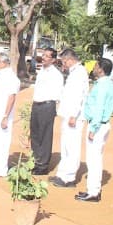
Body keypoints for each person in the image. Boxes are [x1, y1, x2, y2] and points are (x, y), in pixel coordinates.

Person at [75, 57, 113, 203]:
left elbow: (99, 108)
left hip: (97, 125)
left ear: (101, 69)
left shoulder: (102, 86)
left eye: (96, 66)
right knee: (95, 158)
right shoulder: (108, 84)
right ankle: (93, 190)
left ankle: (93, 192)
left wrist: (93, 128)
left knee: (93, 160)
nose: (93, 68)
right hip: (102, 124)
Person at [50, 48, 89, 189]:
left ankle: (69, 177)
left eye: (64, 62)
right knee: (65, 146)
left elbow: (79, 96)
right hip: (68, 114)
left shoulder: (79, 73)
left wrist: (73, 114)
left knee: (72, 146)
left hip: (74, 116)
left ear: (70, 60)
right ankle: (62, 174)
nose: (63, 65)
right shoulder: (74, 73)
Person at [29, 47, 64, 175]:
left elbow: (58, 94)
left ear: (53, 60)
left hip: (47, 106)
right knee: (35, 134)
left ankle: (43, 166)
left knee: (45, 136)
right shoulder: (41, 71)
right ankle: (35, 161)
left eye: (47, 56)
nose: (43, 57)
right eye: (43, 55)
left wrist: (55, 109)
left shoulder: (56, 75)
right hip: (37, 105)